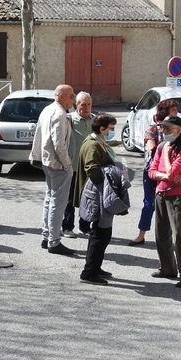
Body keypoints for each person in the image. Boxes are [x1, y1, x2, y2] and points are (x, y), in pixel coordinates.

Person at [148, 115, 181, 288]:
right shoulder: (161, 146)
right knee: (161, 233)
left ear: (179, 130)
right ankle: (167, 268)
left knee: (179, 234)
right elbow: (152, 171)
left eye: (168, 128)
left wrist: (168, 155)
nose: (164, 131)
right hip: (161, 192)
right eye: (163, 128)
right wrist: (164, 176)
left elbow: (173, 173)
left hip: (178, 195)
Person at [75, 113, 124, 284]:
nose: (113, 131)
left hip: (100, 195)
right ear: (102, 129)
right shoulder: (93, 145)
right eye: (111, 128)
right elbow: (93, 170)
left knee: (103, 234)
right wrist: (109, 178)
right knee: (99, 234)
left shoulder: (99, 142)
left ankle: (95, 267)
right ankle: (88, 273)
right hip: (97, 197)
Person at [30, 84, 77, 256]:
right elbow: (59, 144)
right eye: (71, 96)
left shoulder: (48, 110)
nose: (74, 99)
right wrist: (67, 164)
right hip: (57, 164)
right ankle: (54, 241)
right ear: (61, 96)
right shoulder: (58, 114)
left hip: (47, 162)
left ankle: (46, 236)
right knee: (58, 204)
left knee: (50, 200)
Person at [129, 98, 178, 246]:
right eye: (173, 110)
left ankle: (170, 238)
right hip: (152, 172)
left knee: (170, 206)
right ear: (165, 113)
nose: (177, 113)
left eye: (176, 110)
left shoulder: (177, 130)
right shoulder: (153, 129)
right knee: (149, 204)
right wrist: (162, 149)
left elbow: (180, 148)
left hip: (169, 173)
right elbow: (151, 147)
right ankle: (141, 235)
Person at [62, 91, 94, 237]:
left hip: (89, 168)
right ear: (76, 105)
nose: (86, 108)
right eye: (83, 104)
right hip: (73, 167)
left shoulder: (95, 120)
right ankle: (67, 227)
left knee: (87, 198)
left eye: (89, 104)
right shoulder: (69, 120)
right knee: (69, 198)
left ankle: (85, 226)